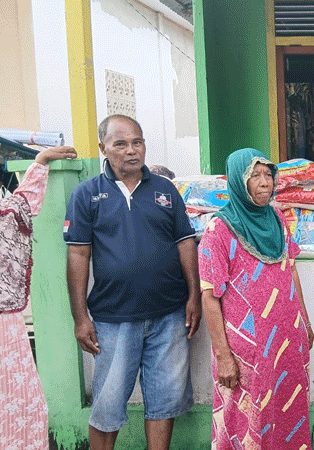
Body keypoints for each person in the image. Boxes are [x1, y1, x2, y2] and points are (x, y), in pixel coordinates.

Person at [64, 114, 201, 449]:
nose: (131, 150)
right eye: (121, 144)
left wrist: (194, 296)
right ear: (103, 148)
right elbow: (78, 254)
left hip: (169, 315)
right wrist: (80, 317)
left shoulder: (165, 190)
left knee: (164, 401)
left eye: (137, 142)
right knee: (107, 404)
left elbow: (185, 242)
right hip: (114, 319)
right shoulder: (87, 194)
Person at [198, 148, 314, 450]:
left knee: (287, 410)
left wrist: (304, 322)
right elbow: (209, 297)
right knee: (247, 419)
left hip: (286, 340)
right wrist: (224, 357)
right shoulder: (219, 229)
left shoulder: (277, 218)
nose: (265, 182)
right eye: (255, 175)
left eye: (268, 174)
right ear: (238, 181)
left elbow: (291, 270)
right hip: (246, 349)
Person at [1, 145, 77, 449]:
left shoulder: (5, 217)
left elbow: (22, 203)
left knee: (19, 405)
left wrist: (41, 162)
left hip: (6, 332)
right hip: (6, 330)